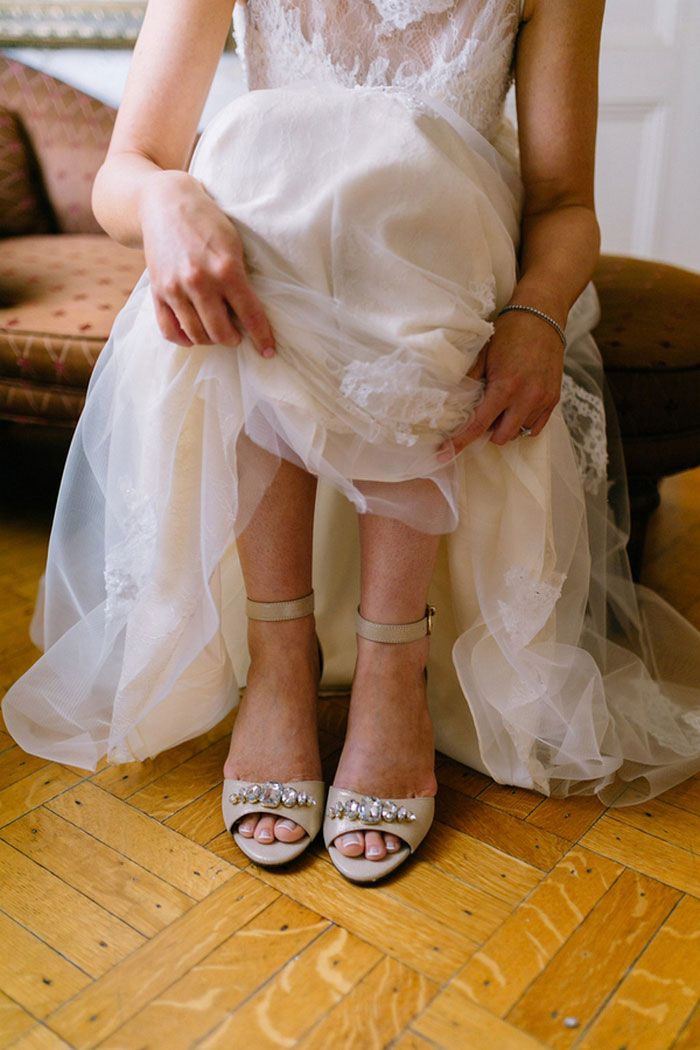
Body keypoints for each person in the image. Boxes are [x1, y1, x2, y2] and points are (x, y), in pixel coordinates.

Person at [4, 0, 700, 884]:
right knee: (252, 153)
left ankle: (391, 667)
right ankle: (281, 657)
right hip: (275, 258)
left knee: (402, 179)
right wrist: (166, 198)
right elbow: (124, 172)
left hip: (455, 264)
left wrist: (539, 311)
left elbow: (564, 204)